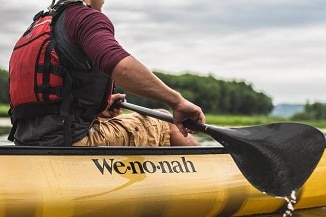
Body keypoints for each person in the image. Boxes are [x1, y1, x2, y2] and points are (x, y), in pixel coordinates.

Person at [8, 0, 204, 147]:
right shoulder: (85, 18)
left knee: (108, 120)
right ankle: (217, 176)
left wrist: (97, 108)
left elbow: (51, 101)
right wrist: (177, 102)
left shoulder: (38, 27)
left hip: (25, 142)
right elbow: (122, 67)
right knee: (162, 121)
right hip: (68, 141)